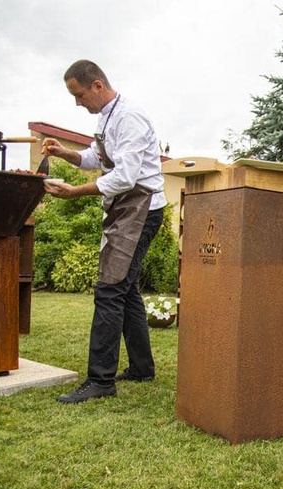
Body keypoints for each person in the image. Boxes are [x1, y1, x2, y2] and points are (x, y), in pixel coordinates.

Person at [43, 59, 167, 404]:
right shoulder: (106, 117)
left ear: (97, 85)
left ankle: (100, 380)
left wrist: (74, 192)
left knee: (110, 290)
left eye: (79, 94)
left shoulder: (130, 117)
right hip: (125, 208)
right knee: (125, 291)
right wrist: (62, 152)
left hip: (141, 208)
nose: (77, 103)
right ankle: (142, 368)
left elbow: (124, 177)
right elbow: (95, 158)